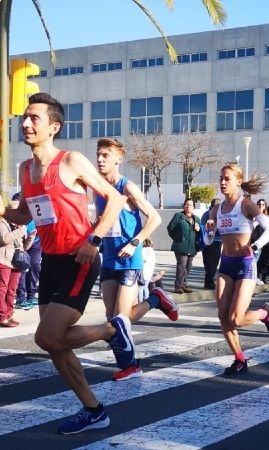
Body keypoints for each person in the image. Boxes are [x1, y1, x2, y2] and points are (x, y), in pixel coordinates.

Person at [0, 92, 135, 435]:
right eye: (24, 117)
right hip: (50, 261)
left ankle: (113, 330)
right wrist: (1, 212)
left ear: (54, 127)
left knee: (47, 337)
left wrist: (93, 240)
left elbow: (115, 198)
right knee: (56, 345)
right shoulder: (25, 169)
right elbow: (25, 214)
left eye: (34, 118)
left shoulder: (70, 161)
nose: (25, 123)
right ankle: (94, 410)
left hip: (77, 259)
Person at [94, 137, 178, 381]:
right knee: (113, 319)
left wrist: (134, 243)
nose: (100, 159)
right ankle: (156, 299)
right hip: (109, 257)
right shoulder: (98, 190)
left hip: (130, 258)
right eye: (98, 155)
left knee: (121, 318)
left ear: (118, 158)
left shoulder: (126, 187)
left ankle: (132, 364)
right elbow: (102, 222)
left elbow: (154, 218)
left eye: (105, 155)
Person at [203, 164, 269, 376]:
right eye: (220, 179)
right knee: (223, 316)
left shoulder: (245, 205)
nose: (222, 182)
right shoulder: (216, 209)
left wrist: (255, 246)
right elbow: (209, 241)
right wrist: (209, 231)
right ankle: (240, 359)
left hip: (245, 264)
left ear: (238, 181)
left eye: (227, 179)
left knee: (236, 318)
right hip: (226, 265)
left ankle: (264, 313)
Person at [0, 203, 26, 327]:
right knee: (2, 288)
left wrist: (28, 235)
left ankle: (9, 314)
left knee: (12, 290)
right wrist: (20, 231)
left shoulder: (18, 225)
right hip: (3, 259)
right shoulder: (1, 223)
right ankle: (1, 317)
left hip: (16, 261)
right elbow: (4, 239)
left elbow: (23, 244)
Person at [167, 198, 200, 294]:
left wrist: (198, 230)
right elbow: (170, 228)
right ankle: (178, 286)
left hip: (192, 246)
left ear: (193, 207)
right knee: (182, 265)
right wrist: (177, 238)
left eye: (190, 205)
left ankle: (184, 284)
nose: (188, 206)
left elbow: (200, 233)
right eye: (186, 204)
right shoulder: (179, 216)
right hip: (180, 246)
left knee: (188, 266)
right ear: (184, 206)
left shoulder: (196, 219)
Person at [200, 198, 222, 290]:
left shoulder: (206, 214)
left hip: (214, 241)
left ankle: (209, 281)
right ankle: (209, 282)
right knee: (211, 263)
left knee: (210, 263)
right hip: (212, 241)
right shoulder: (210, 215)